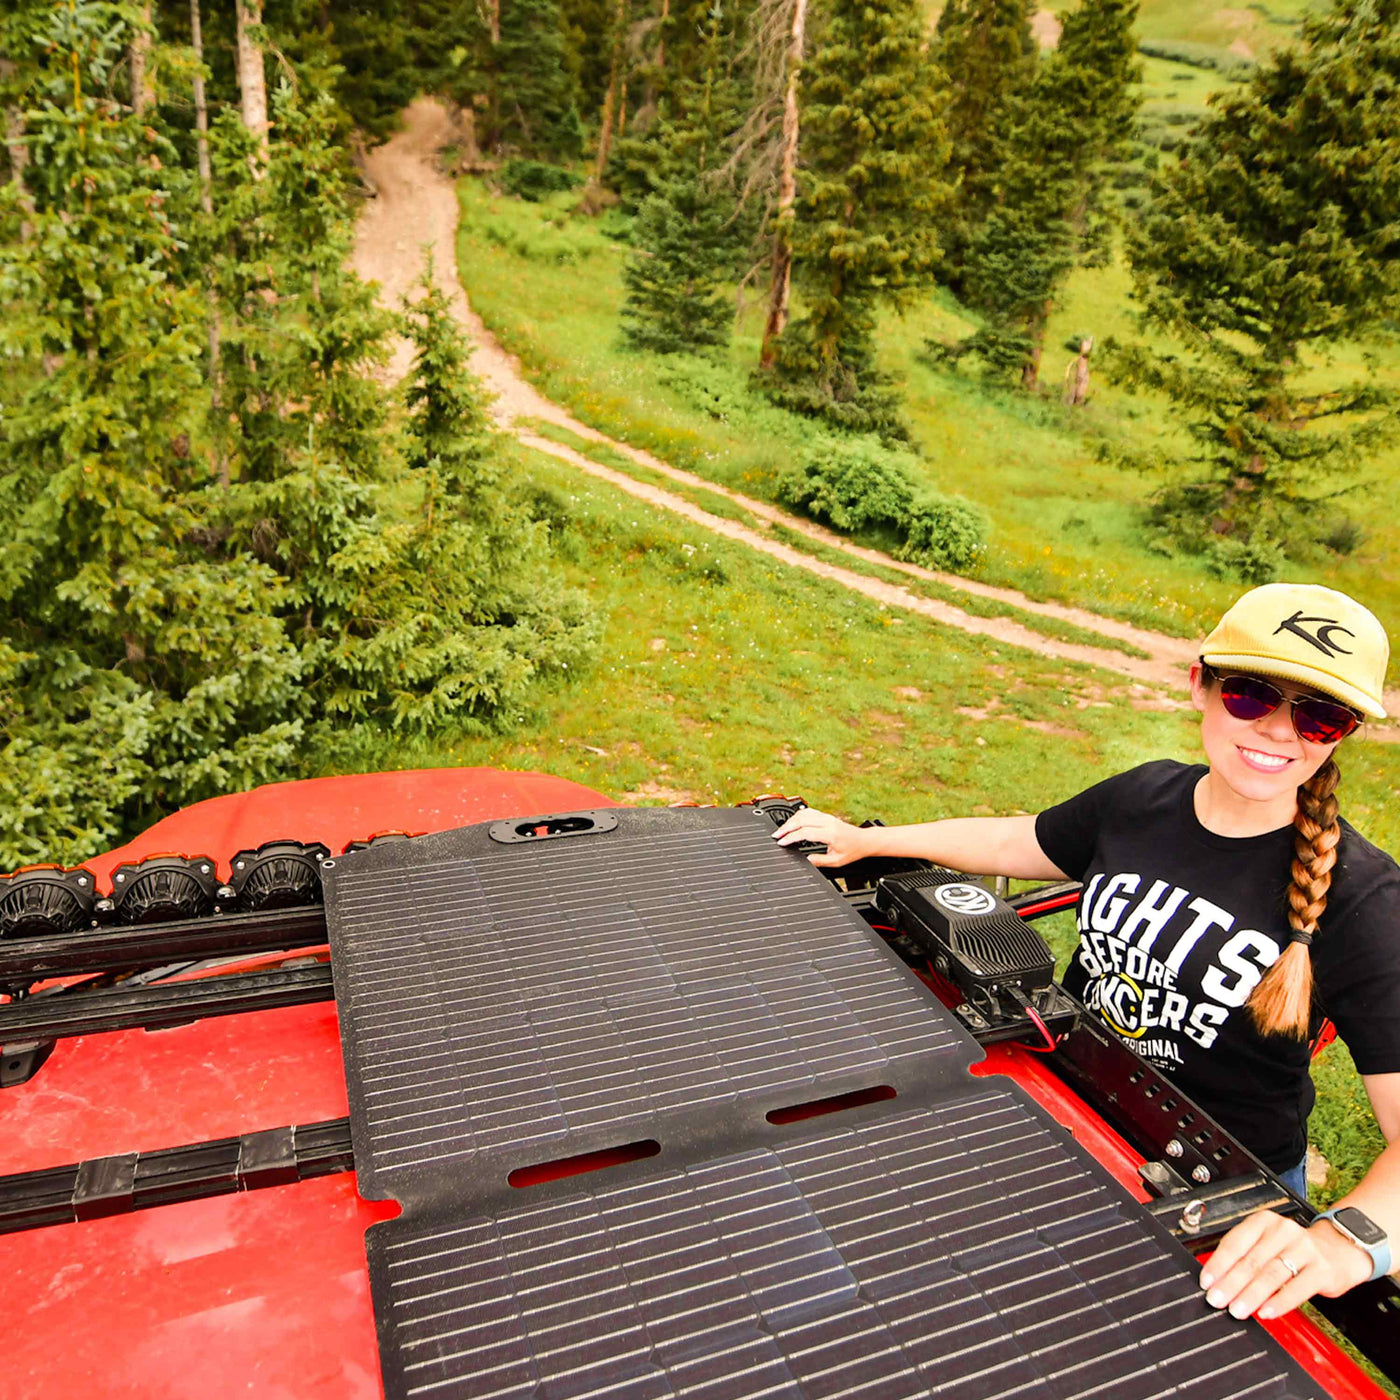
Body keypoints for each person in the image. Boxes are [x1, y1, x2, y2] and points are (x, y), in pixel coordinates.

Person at [773, 582, 1399, 1320]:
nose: (1279, 732)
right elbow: (1019, 840)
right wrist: (865, 842)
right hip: (1068, 1106)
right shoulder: (1143, 798)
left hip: (1215, 1187)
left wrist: (1344, 1244)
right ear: (1200, 685)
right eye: (1252, 695)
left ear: (1344, 732)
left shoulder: (1366, 898)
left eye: (1320, 716)